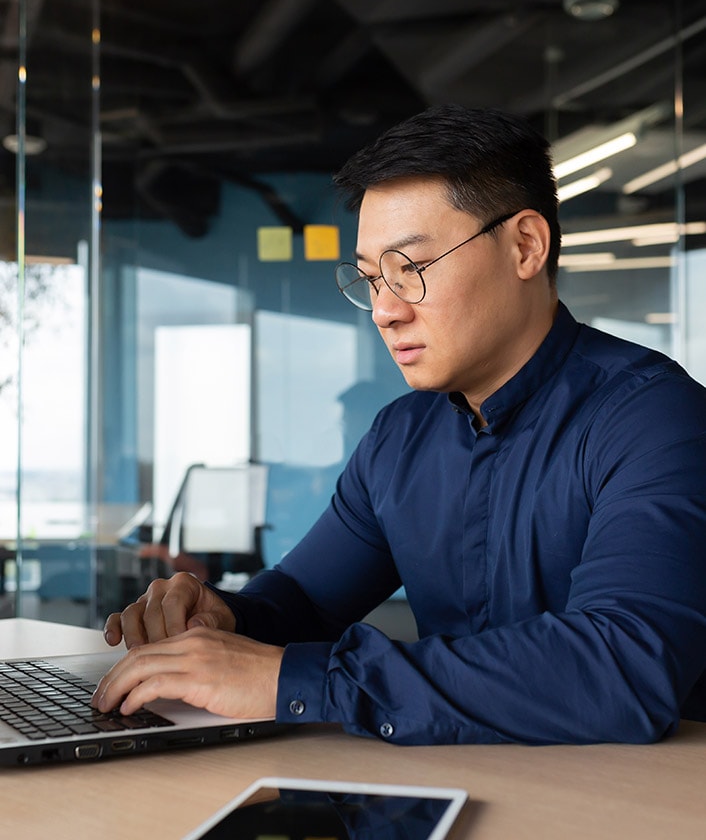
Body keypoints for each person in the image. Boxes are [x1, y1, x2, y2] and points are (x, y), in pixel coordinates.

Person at [93, 104, 706, 745]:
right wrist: (224, 617)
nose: (384, 311)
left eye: (408, 269)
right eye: (370, 277)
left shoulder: (654, 418)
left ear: (526, 245)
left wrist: (290, 680)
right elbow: (305, 600)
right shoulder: (400, 437)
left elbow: (625, 669)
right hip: (448, 784)